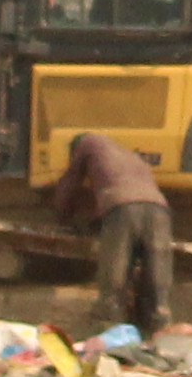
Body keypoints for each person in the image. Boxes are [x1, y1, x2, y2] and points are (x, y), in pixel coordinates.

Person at [60, 125, 173, 337]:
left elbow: (70, 182)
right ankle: (159, 333)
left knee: (114, 278)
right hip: (159, 210)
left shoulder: (88, 143)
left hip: (122, 209)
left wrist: (62, 215)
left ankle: (108, 334)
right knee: (157, 281)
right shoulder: (129, 155)